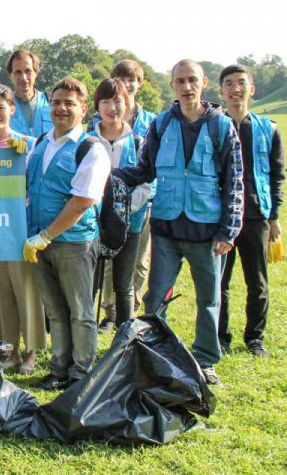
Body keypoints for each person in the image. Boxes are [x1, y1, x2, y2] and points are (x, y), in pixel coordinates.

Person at [115, 60, 243, 386]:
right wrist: (108, 172)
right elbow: (144, 171)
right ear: (172, 85)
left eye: (192, 80)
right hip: (167, 229)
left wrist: (229, 229)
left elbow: (235, 181)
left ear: (204, 83)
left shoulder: (221, 127)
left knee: (209, 299)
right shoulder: (160, 125)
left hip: (208, 231)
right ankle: (157, 352)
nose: (186, 87)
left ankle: (205, 360)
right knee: (155, 295)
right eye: (180, 81)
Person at [24, 77, 111, 391]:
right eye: (57, 102)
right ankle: (58, 370)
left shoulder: (91, 148)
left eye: (69, 103)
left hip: (74, 243)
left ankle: (81, 373)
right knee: (55, 311)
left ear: (83, 109)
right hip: (39, 242)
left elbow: (82, 201)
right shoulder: (39, 144)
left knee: (81, 312)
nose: (61, 108)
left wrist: (46, 235)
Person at [0, 84, 46, 374]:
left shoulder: (30, 144)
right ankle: (8, 349)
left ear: (12, 109)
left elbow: (37, 186)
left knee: (25, 291)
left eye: (0, 108)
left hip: (21, 231)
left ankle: (31, 352)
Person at [217, 64, 283, 358]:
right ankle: (221, 337)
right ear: (221, 91)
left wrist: (275, 217)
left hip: (257, 214)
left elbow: (277, 175)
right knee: (220, 281)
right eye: (229, 84)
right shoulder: (214, 126)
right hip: (221, 216)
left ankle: (254, 338)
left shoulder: (268, 129)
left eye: (241, 83)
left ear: (251, 89)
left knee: (257, 281)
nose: (235, 89)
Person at [90, 79, 151, 331]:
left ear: (127, 104)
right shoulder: (87, 141)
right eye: (106, 102)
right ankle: (85, 339)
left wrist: (122, 210)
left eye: (118, 101)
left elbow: (146, 184)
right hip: (92, 225)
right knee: (89, 283)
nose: (112, 108)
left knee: (123, 284)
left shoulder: (138, 142)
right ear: (97, 106)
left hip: (130, 225)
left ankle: (125, 340)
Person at [110, 59, 157, 311]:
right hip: (108, 205)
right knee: (108, 262)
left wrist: (135, 203)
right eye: (122, 78)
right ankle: (109, 310)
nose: (128, 84)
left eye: (133, 79)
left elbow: (153, 167)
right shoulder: (104, 116)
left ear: (140, 83)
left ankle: (133, 306)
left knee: (139, 260)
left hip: (143, 202)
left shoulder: (152, 121)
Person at [6, 50, 52, 138]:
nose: (23, 78)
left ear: (36, 73)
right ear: (10, 75)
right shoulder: (4, 107)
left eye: (28, 71)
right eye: (18, 72)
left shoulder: (51, 102)